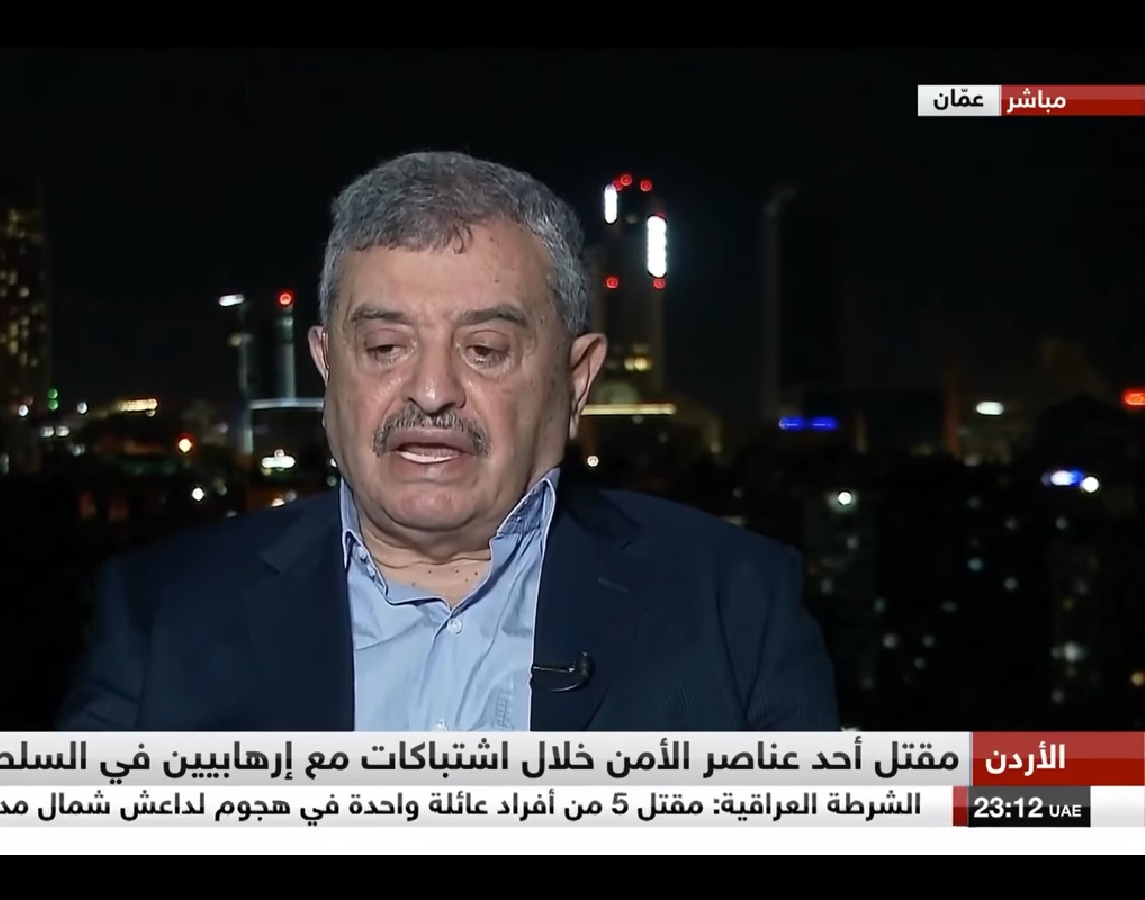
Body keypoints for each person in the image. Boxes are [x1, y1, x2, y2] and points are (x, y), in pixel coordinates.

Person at [58, 151, 839, 732]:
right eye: (385, 348)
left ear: (576, 380)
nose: (431, 391)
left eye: (485, 350)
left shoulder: (737, 606)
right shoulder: (162, 613)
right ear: (327, 368)